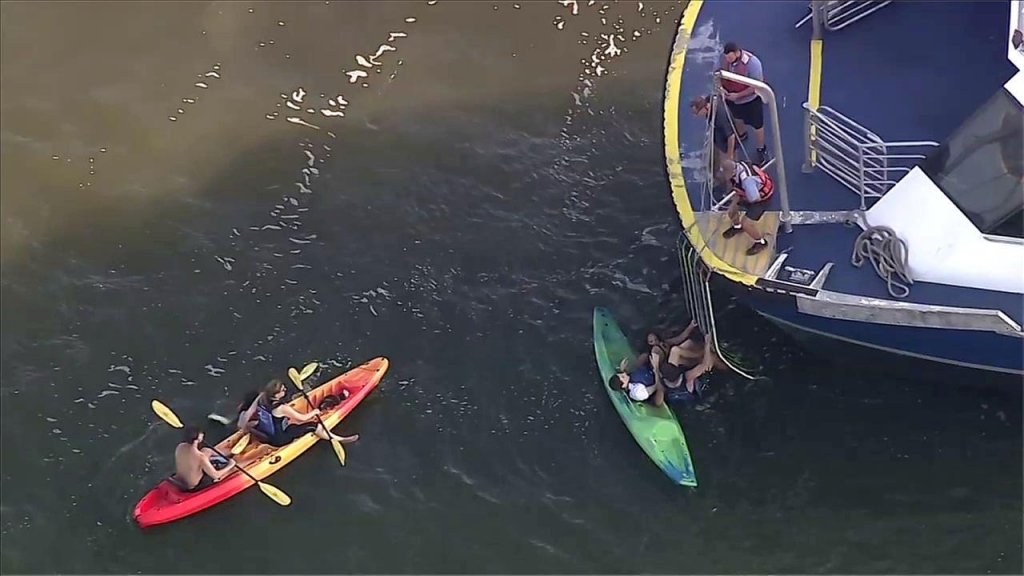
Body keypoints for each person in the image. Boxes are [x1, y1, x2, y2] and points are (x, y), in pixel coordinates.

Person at [239, 379, 359, 447]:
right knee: (313, 426)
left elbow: (248, 413)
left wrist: (244, 428)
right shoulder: (282, 408)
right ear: (276, 395)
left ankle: (250, 431)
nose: (285, 390)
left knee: (254, 423)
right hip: (279, 439)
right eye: (283, 390)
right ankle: (340, 439)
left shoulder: (261, 397)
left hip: (264, 433)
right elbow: (302, 418)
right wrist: (315, 412)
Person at [720, 42, 768, 166]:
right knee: (737, 118)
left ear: (737, 53)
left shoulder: (753, 64)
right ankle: (742, 135)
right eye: (726, 58)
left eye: (730, 57)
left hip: (750, 100)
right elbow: (718, 76)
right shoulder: (725, 61)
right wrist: (722, 90)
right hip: (732, 98)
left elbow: (756, 86)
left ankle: (761, 150)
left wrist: (738, 95)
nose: (728, 60)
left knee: (757, 125)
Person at [719, 157, 773, 255]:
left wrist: (743, 199)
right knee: (732, 211)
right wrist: (734, 203)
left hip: (760, 199)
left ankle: (761, 242)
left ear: (731, 172)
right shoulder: (737, 169)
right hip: (746, 194)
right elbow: (737, 187)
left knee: (747, 223)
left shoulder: (747, 180)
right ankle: (737, 226)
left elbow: (755, 198)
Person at [171, 425, 236, 492]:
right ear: (198, 439)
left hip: (180, 479)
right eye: (201, 434)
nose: (203, 434)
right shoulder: (200, 457)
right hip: (193, 486)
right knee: (227, 469)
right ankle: (230, 462)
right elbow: (215, 475)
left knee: (206, 450)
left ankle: (229, 452)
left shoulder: (180, 447)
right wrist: (230, 465)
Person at [690, 94, 736, 162]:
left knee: (728, 163)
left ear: (703, 109)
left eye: (696, 113)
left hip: (726, 143)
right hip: (719, 137)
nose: (695, 116)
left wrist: (729, 155)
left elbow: (731, 136)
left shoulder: (720, 118)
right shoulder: (710, 99)